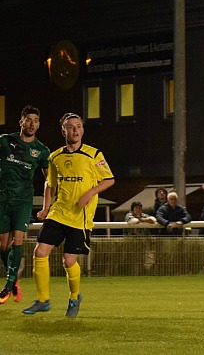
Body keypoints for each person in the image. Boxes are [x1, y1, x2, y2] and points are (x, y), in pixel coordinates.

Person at [23, 113, 115, 317]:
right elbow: (50, 184)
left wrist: (90, 193)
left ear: (82, 130)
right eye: (71, 127)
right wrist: (46, 208)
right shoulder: (55, 156)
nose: (75, 130)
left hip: (80, 217)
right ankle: (43, 299)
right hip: (59, 212)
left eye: (79, 126)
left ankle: (74, 298)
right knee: (39, 252)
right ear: (63, 131)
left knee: (68, 261)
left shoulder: (94, 154)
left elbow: (109, 180)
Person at [0, 106, 50, 304]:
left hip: (23, 200)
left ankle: (7, 286)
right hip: (3, 197)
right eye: (28, 119)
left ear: (38, 124)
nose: (32, 124)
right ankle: (15, 280)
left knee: (17, 240)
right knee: (3, 244)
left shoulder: (42, 150)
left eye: (35, 120)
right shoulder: (5, 141)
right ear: (21, 121)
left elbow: (49, 180)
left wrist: (47, 206)